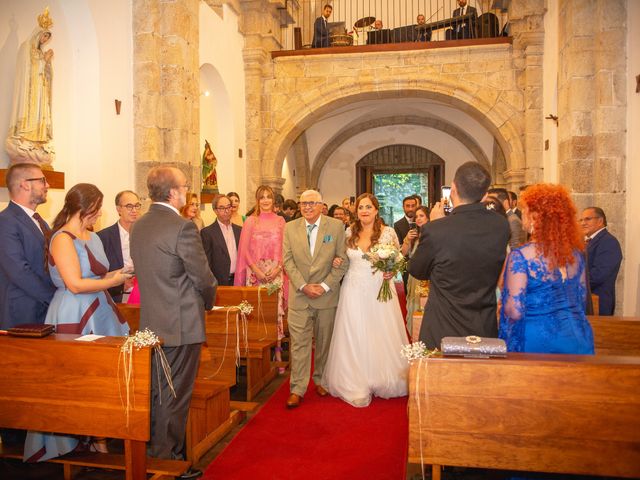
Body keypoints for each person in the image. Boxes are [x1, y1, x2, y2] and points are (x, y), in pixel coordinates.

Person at [24, 183, 131, 462]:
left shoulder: (92, 236)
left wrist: (123, 272)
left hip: (100, 308)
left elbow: (99, 276)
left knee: (103, 378)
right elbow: (74, 283)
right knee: (76, 380)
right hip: (75, 311)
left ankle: (99, 435)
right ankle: (76, 438)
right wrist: (114, 280)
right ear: (83, 207)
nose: (99, 214)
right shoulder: (62, 238)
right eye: (96, 208)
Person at [130, 167, 215, 477]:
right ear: (172, 193)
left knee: (157, 392)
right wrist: (208, 302)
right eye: (184, 186)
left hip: (152, 322)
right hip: (181, 324)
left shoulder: (139, 226)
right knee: (175, 396)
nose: (187, 191)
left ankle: (155, 452)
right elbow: (203, 277)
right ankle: (167, 463)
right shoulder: (182, 228)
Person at [409, 162, 510, 349]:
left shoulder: (436, 229)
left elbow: (417, 270)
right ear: (485, 194)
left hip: (442, 327)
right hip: (483, 326)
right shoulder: (501, 226)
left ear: (453, 189)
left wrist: (437, 224)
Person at [322, 193, 409, 408]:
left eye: (369, 207)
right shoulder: (349, 231)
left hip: (379, 288)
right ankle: (355, 379)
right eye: (361, 207)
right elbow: (341, 258)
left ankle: (381, 377)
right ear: (356, 211)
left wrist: (390, 272)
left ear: (376, 210)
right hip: (352, 288)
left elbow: (398, 258)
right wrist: (336, 259)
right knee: (353, 331)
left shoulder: (387, 233)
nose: (364, 211)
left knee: (378, 331)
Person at [500, 184, 594, 354]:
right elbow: (580, 299)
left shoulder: (522, 256)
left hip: (539, 341)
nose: (523, 216)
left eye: (525, 210)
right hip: (578, 337)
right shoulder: (576, 255)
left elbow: (514, 311)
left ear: (536, 217)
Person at [283, 190, 348, 408]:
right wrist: (303, 285)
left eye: (312, 203)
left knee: (324, 342)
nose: (307, 207)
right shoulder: (290, 227)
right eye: (303, 203)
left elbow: (342, 261)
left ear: (321, 205)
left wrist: (324, 285)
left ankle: (321, 379)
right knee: (299, 345)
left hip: (326, 296)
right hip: (300, 296)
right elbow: (288, 261)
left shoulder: (336, 227)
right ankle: (297, 388)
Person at [235, 185, 287, 369]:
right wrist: (256, 270)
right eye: (262, 197)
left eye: (269, 197)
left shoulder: (281, 221)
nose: (265, 200)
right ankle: (259, 353)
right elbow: (244, 250)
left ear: (274, 200)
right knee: (257, 312)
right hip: (255, 273)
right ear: (257, 200)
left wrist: (277, 268)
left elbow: (284, 248)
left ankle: (278, 351)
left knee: (275, 313)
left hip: (275, 272)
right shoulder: (250, 221)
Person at [0, 163, 55, 329]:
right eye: (42, 180)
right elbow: (18, 271)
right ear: (24, 184)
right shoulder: (6, 221)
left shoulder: (40, 221)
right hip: (24, 313)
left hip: (43, 311)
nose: (47, 185)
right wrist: (53, 298)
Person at [6, 8, 54, 167]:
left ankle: (38, 142)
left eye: (48, 36)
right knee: (29, 117)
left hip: (40, 93)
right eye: (44, 34)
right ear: (38, 33)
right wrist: (42, 62)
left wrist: (47, 62)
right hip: (29, 94)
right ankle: (25, 139)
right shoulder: (26, 47)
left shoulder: (41, 52)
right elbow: (27, 70)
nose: (45, 38)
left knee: (40, 116)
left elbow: (47, 76)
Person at [97, 190, 140, 302]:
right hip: (117, 297)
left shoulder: (147, 235)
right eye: (129, 206)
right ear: (118, 209)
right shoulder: (103, 237)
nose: (134, 210)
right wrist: (119, 283)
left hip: (143, 295)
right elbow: (98, 274)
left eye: (137, 206)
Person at [580, 207, 623, 315]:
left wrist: (573, 285)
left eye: (587, 219)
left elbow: (598, 275)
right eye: (581, 220)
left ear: (600, 221)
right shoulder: (584, 241)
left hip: (598, 303)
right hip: (582, 301)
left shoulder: (609, 242)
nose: (583, 223)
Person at [201, 195, 241, 286]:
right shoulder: (207, 233)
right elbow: (207, 263)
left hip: (238, 281)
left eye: (228, 207)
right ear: (215, 211)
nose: (226, 211)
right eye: (222, 208)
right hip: (219, 283)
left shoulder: (240, 230)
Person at [402, 205, 430, 337]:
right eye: (416, 216)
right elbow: (403, 253)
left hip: (427, 278)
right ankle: (415, 336)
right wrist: (408, 239)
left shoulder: (432, 234)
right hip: (414, 278)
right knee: (413, 308)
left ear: (429, 217)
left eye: (422, 216)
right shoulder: (414, 235)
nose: (418, 219)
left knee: (426, 308)